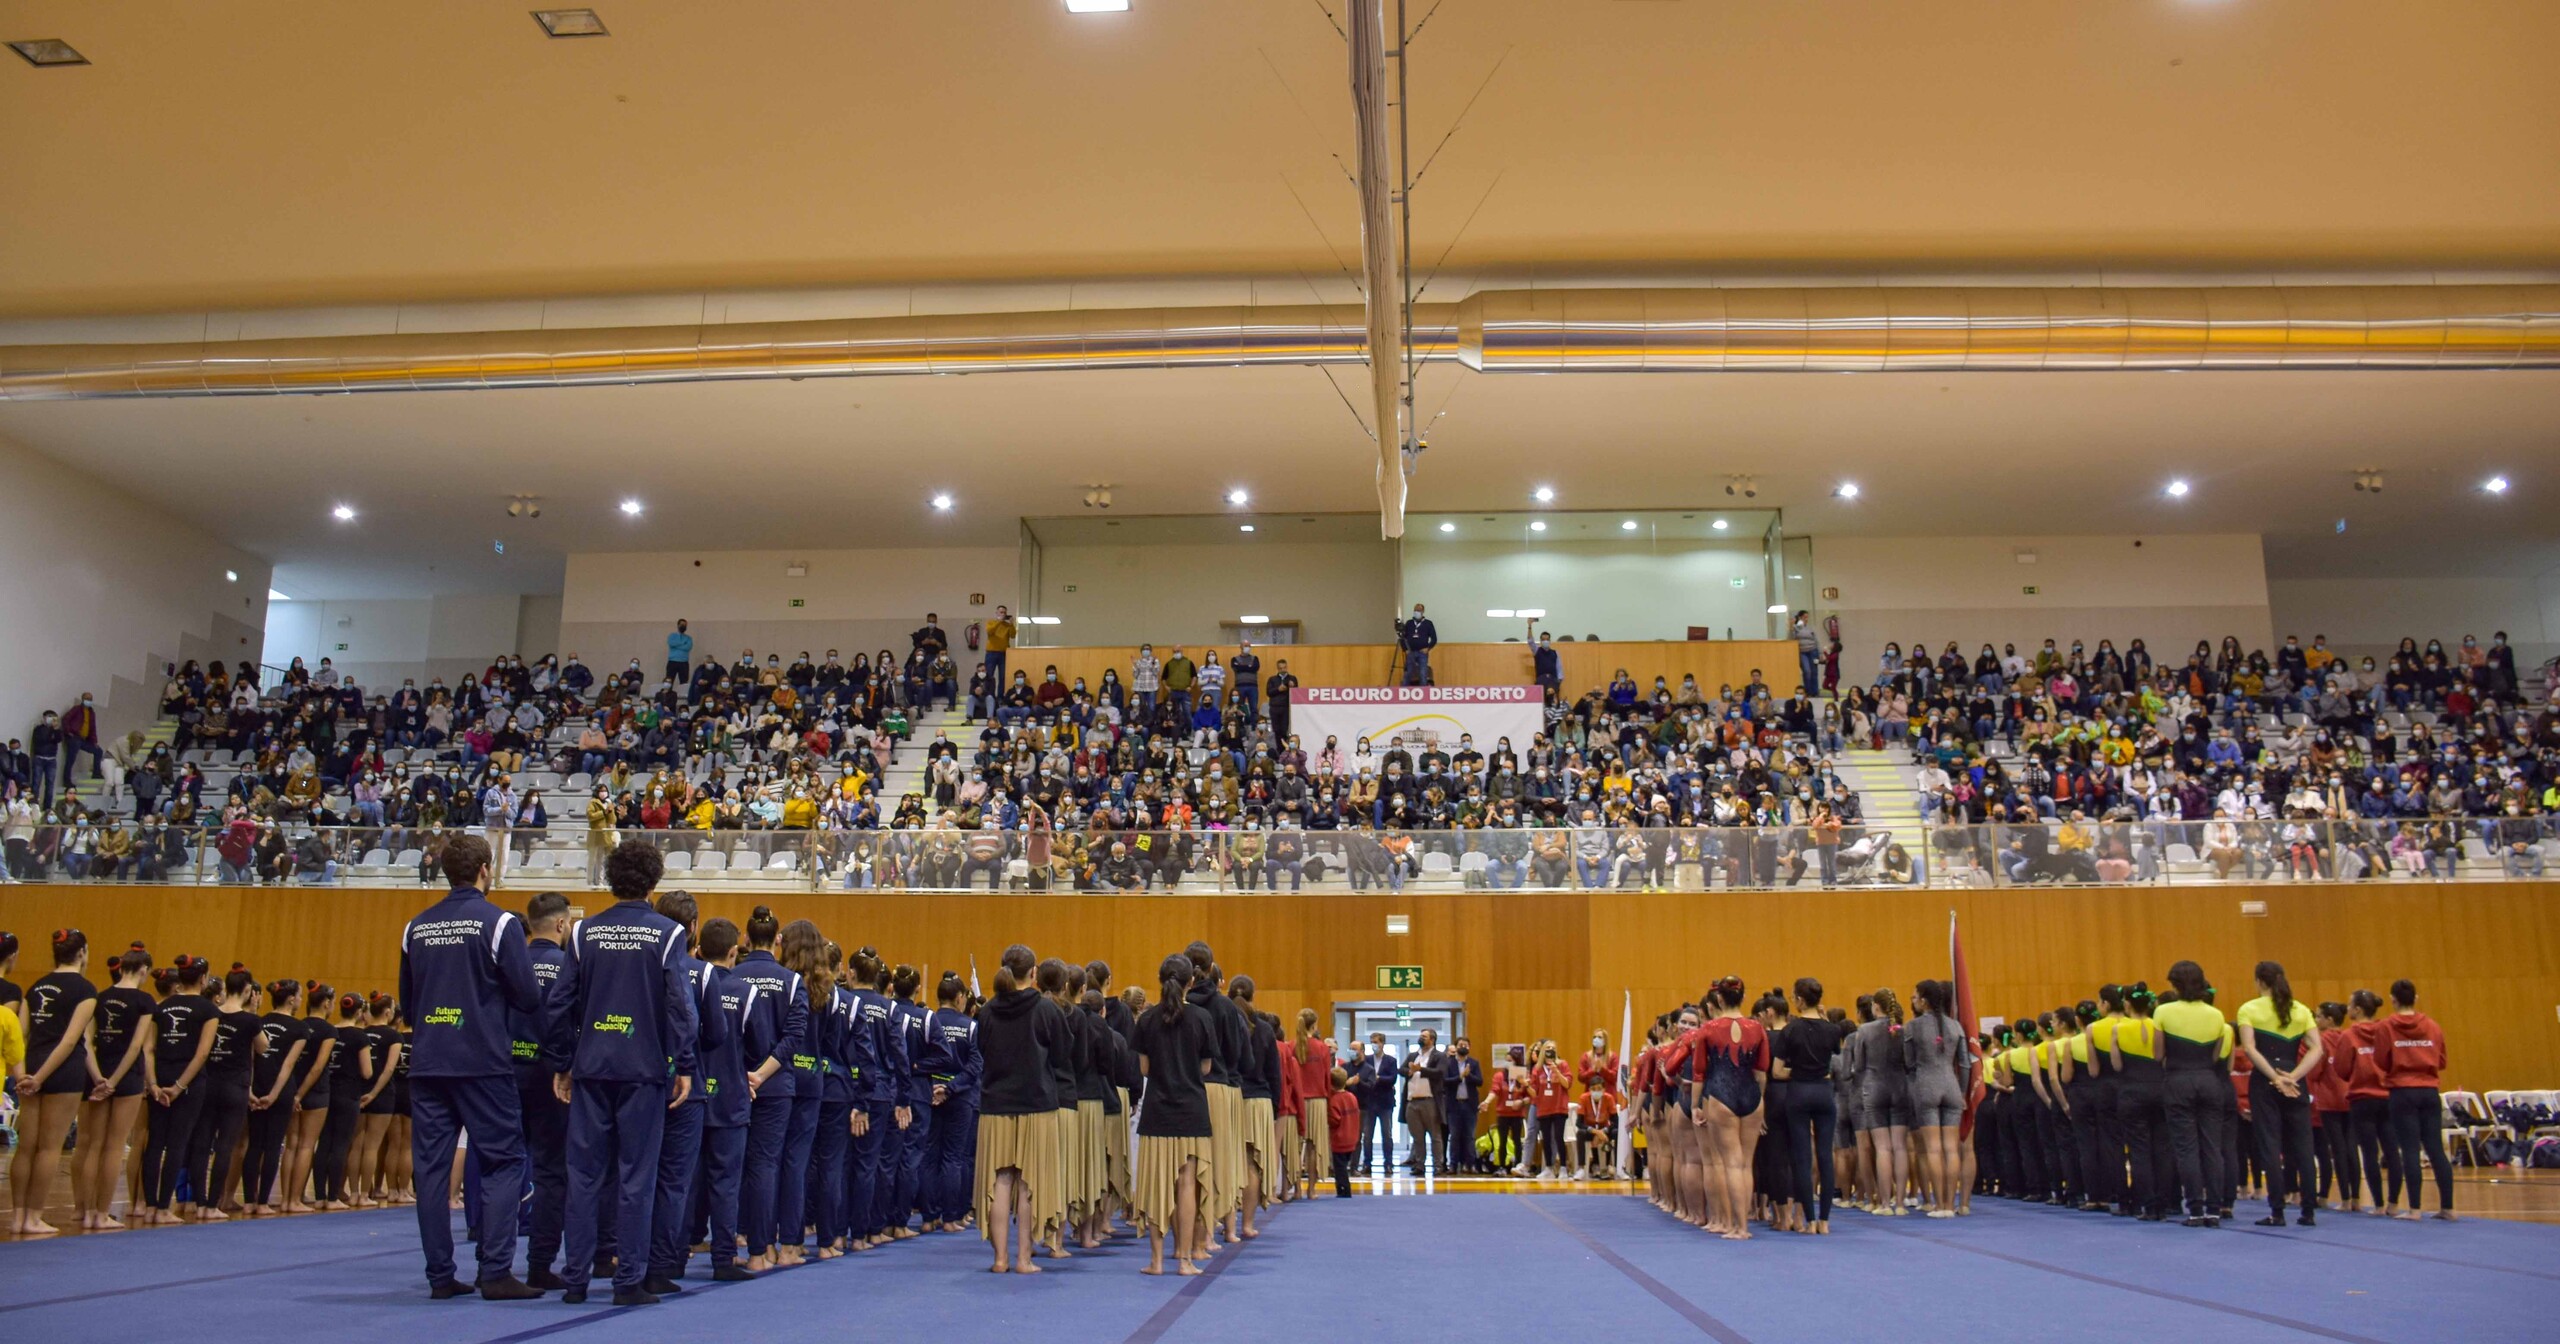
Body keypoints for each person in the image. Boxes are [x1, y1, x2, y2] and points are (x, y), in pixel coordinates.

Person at [543, 838, 698, 1307]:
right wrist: (684, 1063)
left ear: (611, 879)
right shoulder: (668, 934)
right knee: (636, 1177)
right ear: (654, 882)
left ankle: (575, 1279)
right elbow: (681, 1007)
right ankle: (628, 1280)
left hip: (591, 1067)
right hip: (642, 1070)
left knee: (584, 1176)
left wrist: (564, 1061)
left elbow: (558, 1004)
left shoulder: (583, 933)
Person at [397, 833, 546, 1300]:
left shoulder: (416, 927)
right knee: (504, 1160)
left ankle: (440, 1276)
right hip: (482, 1060)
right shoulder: (499, 923)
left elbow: (408, 1003)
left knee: (431, 1170)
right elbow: (528, 995)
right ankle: (495, 1270)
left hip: (429, 1060)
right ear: (486, 870)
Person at [644, 890, 726, 1296]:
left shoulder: (643, 961)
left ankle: (622, 1254)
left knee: (637, 1174)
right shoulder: (703, 973)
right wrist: (688, 1058)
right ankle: (664, 1262)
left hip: (645, 1076)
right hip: (684, 1082)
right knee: (675, 1180)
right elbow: (715, 1032)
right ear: (693, 927)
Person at [974, 943, 1068, 1274]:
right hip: (1036, 1103)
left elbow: (981, 1050)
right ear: (1033, 972)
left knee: (1000, 1181)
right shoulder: (1046, 1010)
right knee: (1028, 1184)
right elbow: (1062, 1055)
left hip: (996, 1103)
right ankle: (1023, 1258)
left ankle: (1000, 1258)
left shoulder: (987, 1011)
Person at [1132, 952, 1214, 1275]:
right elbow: (1206, 1067)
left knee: (1157, 1186)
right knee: (1187, 1185)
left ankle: (1156, 1261)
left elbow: (1144, 1068)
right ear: (1191, 981)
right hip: (1191, 1110)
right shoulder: (1201, 1018)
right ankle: (1185, 1260)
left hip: (1157, 1111)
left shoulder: (1147, 1019)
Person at [510, 892, 576, 1286]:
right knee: (552, 1171)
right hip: (552, 1075)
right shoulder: (568, 965)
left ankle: (492, 1262)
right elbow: (568, 1020)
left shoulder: (510, 962)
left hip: (508, 1071)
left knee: (502, 1167)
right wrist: (564, 1064)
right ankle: (540, 1263)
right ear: (562, 924)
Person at [12, 929, 97, 1235]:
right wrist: (40, 1077)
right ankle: (33, 1217)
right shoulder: (85, 990)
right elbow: (71, 1040)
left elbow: (19, 1036)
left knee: (26, 1147)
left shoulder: (36, 986)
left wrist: (23, 1075)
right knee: (49, 1148)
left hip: (32, 1065)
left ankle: (18, 1216)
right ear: (82, 953)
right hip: (61, 1071)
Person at [2236, 960, 2323, 1227]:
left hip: (2266, 1080)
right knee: (2303, 1145)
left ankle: (2277, 1211)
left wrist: (2274, 1078)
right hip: (2294, 1079)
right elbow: (2317, 1049)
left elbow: (2249, 1048)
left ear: (2259, 981)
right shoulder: (2300, 1009)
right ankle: (2308, 1211)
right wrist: (2294, 1077)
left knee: (2270, 1146)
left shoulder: (2249, 1009)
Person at [2156, 961, 2231, 1228]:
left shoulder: (2164, 1011)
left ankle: (2196, 1209)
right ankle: (2214, 1209)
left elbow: (2158, 1054)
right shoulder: (2216, 1015)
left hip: (2178, 1079)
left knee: (2187, 1148)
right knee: (2211, 1147)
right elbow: (2216, 1055)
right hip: (2209, 1080)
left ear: (2175, 985)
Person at [2380, 979, 2453, 1221]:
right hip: (2429, 1090)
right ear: (2416, 998)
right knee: (2435, 1149)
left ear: (2393, 1000)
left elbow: (2380, 1060)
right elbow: (2441, 1060)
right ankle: (2448, 1208)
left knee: (2410, 1149)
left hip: (2403, 1091)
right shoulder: (2432, 1026)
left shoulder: (2387, 1026)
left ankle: (2414, 1209)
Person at [1325, 1067, 1360, 1197]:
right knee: (1344, 1166)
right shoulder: (1352, 1097)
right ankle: (1344, 1189)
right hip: (1352, 1137)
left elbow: (1334, 1120)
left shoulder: (1334, 1100)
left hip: (1339, 1140)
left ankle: (1344, 1190)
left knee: (1340, 1169)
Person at [1397, 603, 1438, 686]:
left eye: (1419, 610)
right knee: (1408, 673)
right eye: (1415, 610)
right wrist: (1405, 649)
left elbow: (1434, 639)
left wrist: (1428, 648)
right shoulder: (1409, 623)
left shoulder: (1428, 623)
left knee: (1423, 673)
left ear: (1423, 611)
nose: (1417, 612)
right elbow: (1403, 637)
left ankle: (1423, 692)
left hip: (1422, 653)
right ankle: (1403, 691)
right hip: (1411, 652)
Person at [665, 619, 694, 685]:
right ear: (678, 625)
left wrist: (677, 645)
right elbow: (671, 644)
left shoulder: (688, 638)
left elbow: (688, 647)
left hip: (684, 662)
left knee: (684, 682)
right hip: (672, 661)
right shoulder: (672, 636)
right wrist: (683, 643)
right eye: (682, 624)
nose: (683, 626)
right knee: (669, 681)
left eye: (685, 625)